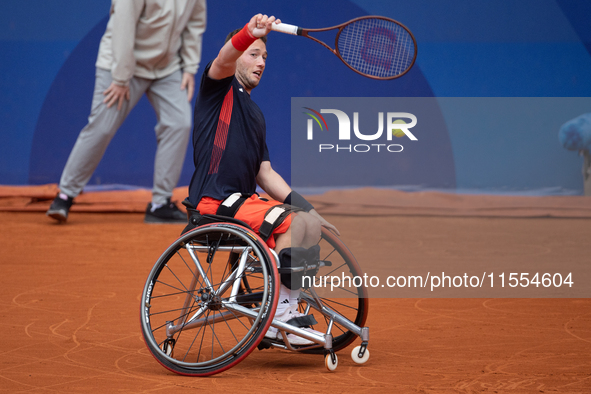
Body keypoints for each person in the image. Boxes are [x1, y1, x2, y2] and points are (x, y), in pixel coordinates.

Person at [185, 14, 339, 346]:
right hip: (213, 202)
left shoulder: (255, 115)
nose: (261, 62)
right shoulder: (218, 89)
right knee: (294, 224)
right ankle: (276, 319)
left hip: (244, 203)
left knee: (309, 225)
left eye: (265, 57)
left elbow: (265, 174)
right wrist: (247, 34)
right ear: (238, 55)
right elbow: (223, 57)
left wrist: (309, 208)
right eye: (253, 54)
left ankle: (284, 308)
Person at [46, 0, 207, 223]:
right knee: (102, 127)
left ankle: (160, 204)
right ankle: (65, 196)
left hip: (166, 68)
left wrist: (189, 67)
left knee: (179, 123)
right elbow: (123, 27)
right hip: (120, 65)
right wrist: (121, 77)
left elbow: (195, 23)